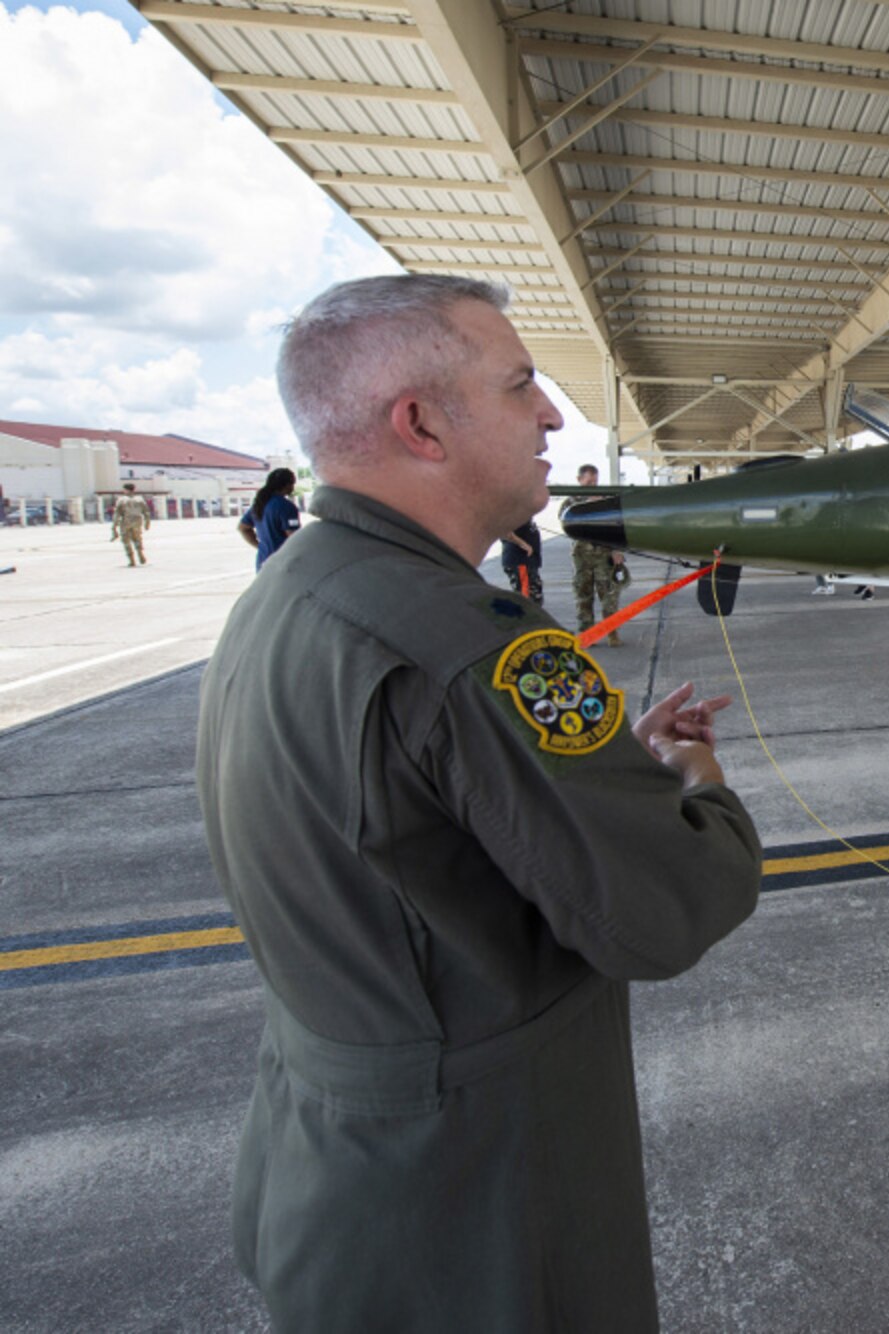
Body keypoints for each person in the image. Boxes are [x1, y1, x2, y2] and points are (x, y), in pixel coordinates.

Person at [195, 274, 763, 1332]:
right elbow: (671, 902)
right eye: (518, 386)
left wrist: (584, 778)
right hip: (477, 1214)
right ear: (418, 423)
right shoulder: (472, 644)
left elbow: (408, 833)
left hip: (335, 1176)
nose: (551, 412)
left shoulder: (286, 594)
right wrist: (698, 781)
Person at [561, 463, 625, 644]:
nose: (593, 485)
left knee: (609, 595)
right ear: (579, 480)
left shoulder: (604, 499)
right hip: (581, 557)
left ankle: (612, 632)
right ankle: (587, 634)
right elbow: (564, 522)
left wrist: (617, 550)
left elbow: (617, 527)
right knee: (583, 595)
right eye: (589, 482)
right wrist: (586, 504)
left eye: (595, 481)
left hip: (604, 556)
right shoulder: (571, 502)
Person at [236, 467, 302, 570]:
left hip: (263, 560)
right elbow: (293, 537)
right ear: (287, 484)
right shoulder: (286, 507)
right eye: (292, 484)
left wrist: (260, 546)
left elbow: (243, 528)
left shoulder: (259, 504)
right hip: (283, 563)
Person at [500, 518, 543, 604]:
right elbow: (504, 532)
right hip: (519, 561)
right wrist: (522, 544)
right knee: (527, 600)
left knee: (534, 596)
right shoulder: (512, 513)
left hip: (527, 561)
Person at [110, 482, 150, 566]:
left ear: (126, 490)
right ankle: (140, 553)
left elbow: (117, 513)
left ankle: (131, 560)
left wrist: (114, 526)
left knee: (126, 540)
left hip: (126, 521)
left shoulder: (122, 500)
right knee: (137, 538)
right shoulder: (140, 499)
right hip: (138, 521)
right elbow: (146, 511)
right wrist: (147, 522)